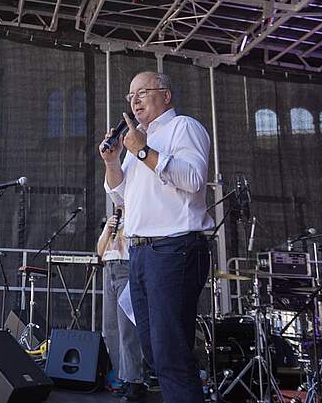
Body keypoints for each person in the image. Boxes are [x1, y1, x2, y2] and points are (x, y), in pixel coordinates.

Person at [101, 70, 212, 403]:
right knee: (154, 351)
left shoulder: (184, 128)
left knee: (171, 352)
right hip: (140, 253)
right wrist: (112, 161)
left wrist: (140, 151)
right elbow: (122, 197)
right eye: (130, 96)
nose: (135, 101)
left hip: (174, 249)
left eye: (143, 93)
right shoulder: (139, 140)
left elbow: (193, 178)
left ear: (166, 95)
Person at [97, 210, 144, 399]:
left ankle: (136, 380)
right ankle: (122, 377)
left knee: (127, 330)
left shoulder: (137, 215)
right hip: (109, 270)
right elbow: (99, 251)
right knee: (110, 329)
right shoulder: (112, 221)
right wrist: (108, 230)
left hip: (127, 268)